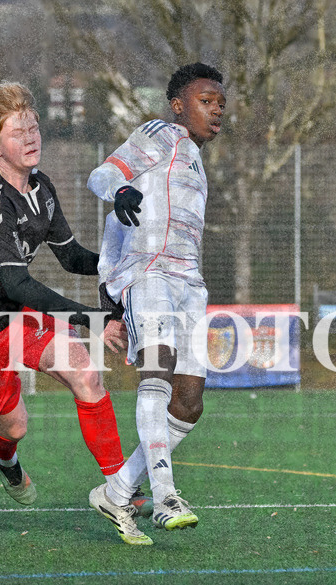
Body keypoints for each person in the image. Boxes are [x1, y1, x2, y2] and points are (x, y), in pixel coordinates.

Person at [0, 82, 152, 546]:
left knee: (86, 375)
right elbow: (17, 283)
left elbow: (70, 257)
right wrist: (92, 319)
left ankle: (120, 491)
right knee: (14, 426)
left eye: (33, 127)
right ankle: (3, 458)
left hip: (13, 314)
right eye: (18, 132)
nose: (31, 137)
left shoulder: (42, 188)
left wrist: (127, 262)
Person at [86, 62, 226, 532]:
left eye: (221, 103)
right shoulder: (161, 134)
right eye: (206, 101)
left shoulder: (195, 160)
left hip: (189, 283)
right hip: (148, 273)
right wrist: (121, 189)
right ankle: (165, 494)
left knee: (189, 401)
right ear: (178, 105)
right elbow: (101, 175)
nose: (217, 110)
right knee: (158, 369)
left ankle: (117, 491)